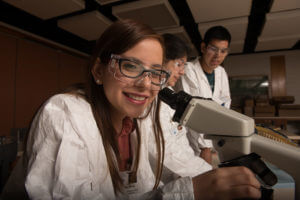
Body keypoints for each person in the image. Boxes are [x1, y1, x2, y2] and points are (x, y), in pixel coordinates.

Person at [1, 20, 261, 200]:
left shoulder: (140, 120)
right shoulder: (64, 113)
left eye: (156, 73)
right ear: (99, 71)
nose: (146, 84)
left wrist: (215, 181)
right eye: (130, 66)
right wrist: (187, 193)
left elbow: (144, 188)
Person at [146, 33, 212, 181]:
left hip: (187, 169)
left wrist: (205, 170)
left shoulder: (168, 97)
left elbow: (180, 145)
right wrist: (205, 175)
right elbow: (164, 154)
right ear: (161, 61)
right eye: (179, 64)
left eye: (184, 65)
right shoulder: (149, 100)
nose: (182, 71)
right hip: (171, 178)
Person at [176, 26, 232, 161]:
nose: (218, 55)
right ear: (203, 48)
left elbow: (224, 106)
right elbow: (191, 110)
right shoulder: (188, 70)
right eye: (213, 49)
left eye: (223, 51)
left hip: (214, 138)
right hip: (191, 140)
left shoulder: (221, 73)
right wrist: (204, 146)